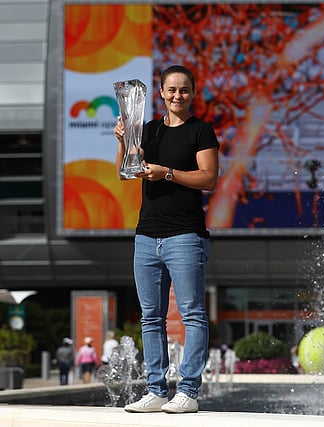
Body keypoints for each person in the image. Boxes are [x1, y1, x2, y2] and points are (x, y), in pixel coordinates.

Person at [113, 65, 220, 414]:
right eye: (171, 90)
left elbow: (209, 179)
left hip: (186, 235)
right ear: (160, 92)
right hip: (146, 235)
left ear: (192, 93)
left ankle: (188, 391)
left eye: (184, 90)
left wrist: (168, 173)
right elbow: (125, 173)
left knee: (192, 315)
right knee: (150, 317)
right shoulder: (148, 130)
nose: (178, 96)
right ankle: (156, 390)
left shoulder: (200, 131)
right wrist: (123, 142)